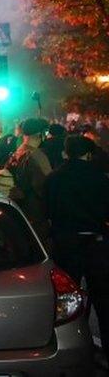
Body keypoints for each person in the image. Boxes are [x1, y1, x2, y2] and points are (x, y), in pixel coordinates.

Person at [44, 135, 109, 362]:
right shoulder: (99, 179)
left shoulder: (54, 178)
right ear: (87, 153)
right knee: (102, 297)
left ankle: (68, 345)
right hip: (95, 243)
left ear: (66, 152)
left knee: (67, 299)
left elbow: (47, 211)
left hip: (66, 242)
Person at [8, 118, 52, 241]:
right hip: (36, 213)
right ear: (40, 134)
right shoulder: (37, 156)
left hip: (19, 209)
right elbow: (46, 186)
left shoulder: (17, 152)